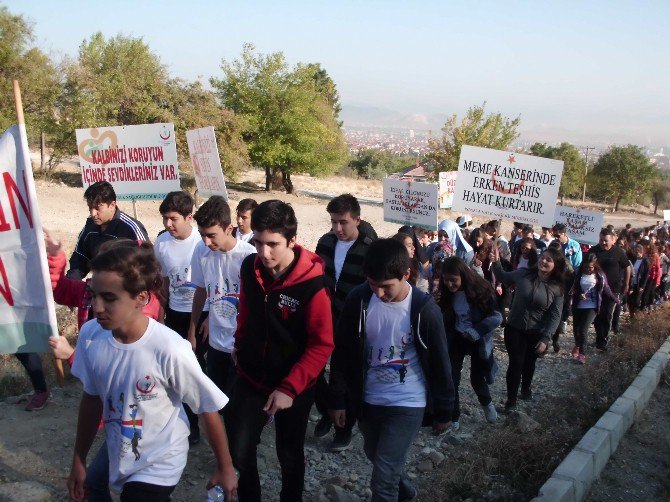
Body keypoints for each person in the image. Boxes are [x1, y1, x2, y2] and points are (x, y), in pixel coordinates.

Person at [68, 240, 238, 502]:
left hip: (161, 460)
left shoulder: (169, 348)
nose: (98, 308)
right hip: (122, 448)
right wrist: (79, 458)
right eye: (94, 296)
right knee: (93, 486)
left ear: (141, 298)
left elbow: (205, 406)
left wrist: (225, 466)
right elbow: (92, 397)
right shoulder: (91, 336)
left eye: (110, 298)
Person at [329, 238, 454, 501]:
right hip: (368, 399)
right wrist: (338, 399)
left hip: (408, 401)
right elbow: (343, 353)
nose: (379, 293)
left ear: (406, 274)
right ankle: (406, 491)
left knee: (383, 478)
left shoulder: (424, 310)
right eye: (373, 285)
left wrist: (445, 410)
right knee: (375, 455)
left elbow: (441, 362)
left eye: (386, 287)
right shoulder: (358, 300)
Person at [46, 230, 163, 502]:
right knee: (97, 482)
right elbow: (59, 288)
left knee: (132, 488)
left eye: (103, 269)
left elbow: (122, 366)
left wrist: (73, 355)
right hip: (112, 409)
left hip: (137, 417)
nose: (98, 303)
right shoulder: (89, 291)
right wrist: (54, 258)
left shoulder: (140, 313)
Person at [228, 200, 333, 502]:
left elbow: (321, 344)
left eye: (273, 244)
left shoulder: (313, 285)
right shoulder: (250, 266)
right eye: (258, 242)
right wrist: (239, 342)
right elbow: (246, 308)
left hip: (295, 385)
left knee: (289, 454)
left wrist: (289, 388)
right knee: (240, 449)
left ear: (292, 241)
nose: (264, 253)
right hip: (251, 376)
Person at [314, 193, 375, 451]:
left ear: (357, 220)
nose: (338, 228)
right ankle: (328, 409)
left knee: (344, 375)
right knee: (313, 371)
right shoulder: (325, 242)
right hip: (322, 318)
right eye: (333, 222)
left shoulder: (371, 248)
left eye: (343, 223)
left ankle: (344, 428)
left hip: (353, 323)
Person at [154, 190, 209, 444]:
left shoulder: (202, 242)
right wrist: (162, 310)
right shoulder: (162, 242)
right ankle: (184, 422)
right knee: (175, 371)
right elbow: (163, 278)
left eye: (173, 218)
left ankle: (204, 422)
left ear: (190, 217)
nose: (168, 224)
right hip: (175, 314)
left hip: (201, 316)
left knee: (197, 369)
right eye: (165, 218)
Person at [189, 196, 256, 400]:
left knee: (236, 404)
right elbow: (201, 291)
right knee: (216, 400)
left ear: (229, 228)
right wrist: (192, 331)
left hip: (241, 345)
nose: (206, 242)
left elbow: (255, 304)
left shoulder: (249, 256)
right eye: (201, 235)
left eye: (211, 235)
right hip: (216, 343)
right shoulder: (201, 251)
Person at [491, 247, 565, 411]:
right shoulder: (523, 273)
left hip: (536, 332)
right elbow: (503, 276)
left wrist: (546, 338)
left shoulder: (557, 288)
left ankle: (525, 389)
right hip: (514, 328)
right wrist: (496, 262)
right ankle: (511, 401)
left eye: (549, 260)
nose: (543, 261)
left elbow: (555, 316)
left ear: (556, 266)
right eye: (542, 257)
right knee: (515, 363)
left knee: (529, 363)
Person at [439, 257, 501, 428]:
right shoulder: (447, 294)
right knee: (451, 378)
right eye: (446, 280)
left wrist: (477, 330)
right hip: (457, 339)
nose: (450, 284)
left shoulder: (481, 290)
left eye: (454, 280)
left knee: (477, 378)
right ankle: (454, 417)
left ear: (463, 276)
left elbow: (497, 317)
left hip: (478, 341)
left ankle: (487, 404)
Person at [68, 181, 148, 279]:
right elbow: (79, 260)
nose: (93, 213)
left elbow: (147, 265)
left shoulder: (131, 228)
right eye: (90, 208)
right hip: (98, 288)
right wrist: (71, 284)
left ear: (112, 205)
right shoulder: (90, 227)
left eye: (98, 208)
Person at [570, 254, 618, 364]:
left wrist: (615, 299)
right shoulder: (578, 274)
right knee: (576, 329)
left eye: (590, 267)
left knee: (583, 329)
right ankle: (578, 344)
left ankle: (582, 354)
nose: (588, 269)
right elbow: (572, 289)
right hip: (578, 305)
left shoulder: (600, 275)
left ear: (595, 266)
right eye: (586, 267)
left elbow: (607, 289)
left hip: (592, 306)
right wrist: (578, 295)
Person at [589, 228, 631, 348]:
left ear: (613, 240)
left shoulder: (619, 252)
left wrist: (626, 284)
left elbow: (627, 267)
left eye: (605, 241)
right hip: (596, 288)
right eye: (601, 240)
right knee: (597, 315)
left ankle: (603, 340)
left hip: (613, 289)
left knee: (607, 314)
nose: (603, 243)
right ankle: (599, 338)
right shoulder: (594, 251)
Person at [627, 243, 649, 318]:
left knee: (636, 300)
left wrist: (642, 286)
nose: (636, 254)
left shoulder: (645, 262)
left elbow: (646, 275)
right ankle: (631, 313)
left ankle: (635, 315)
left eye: (637, 252)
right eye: (635, 252)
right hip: (632, 283)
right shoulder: (633, 259)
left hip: (640, 284)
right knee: (630, 299)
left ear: (641, 252)